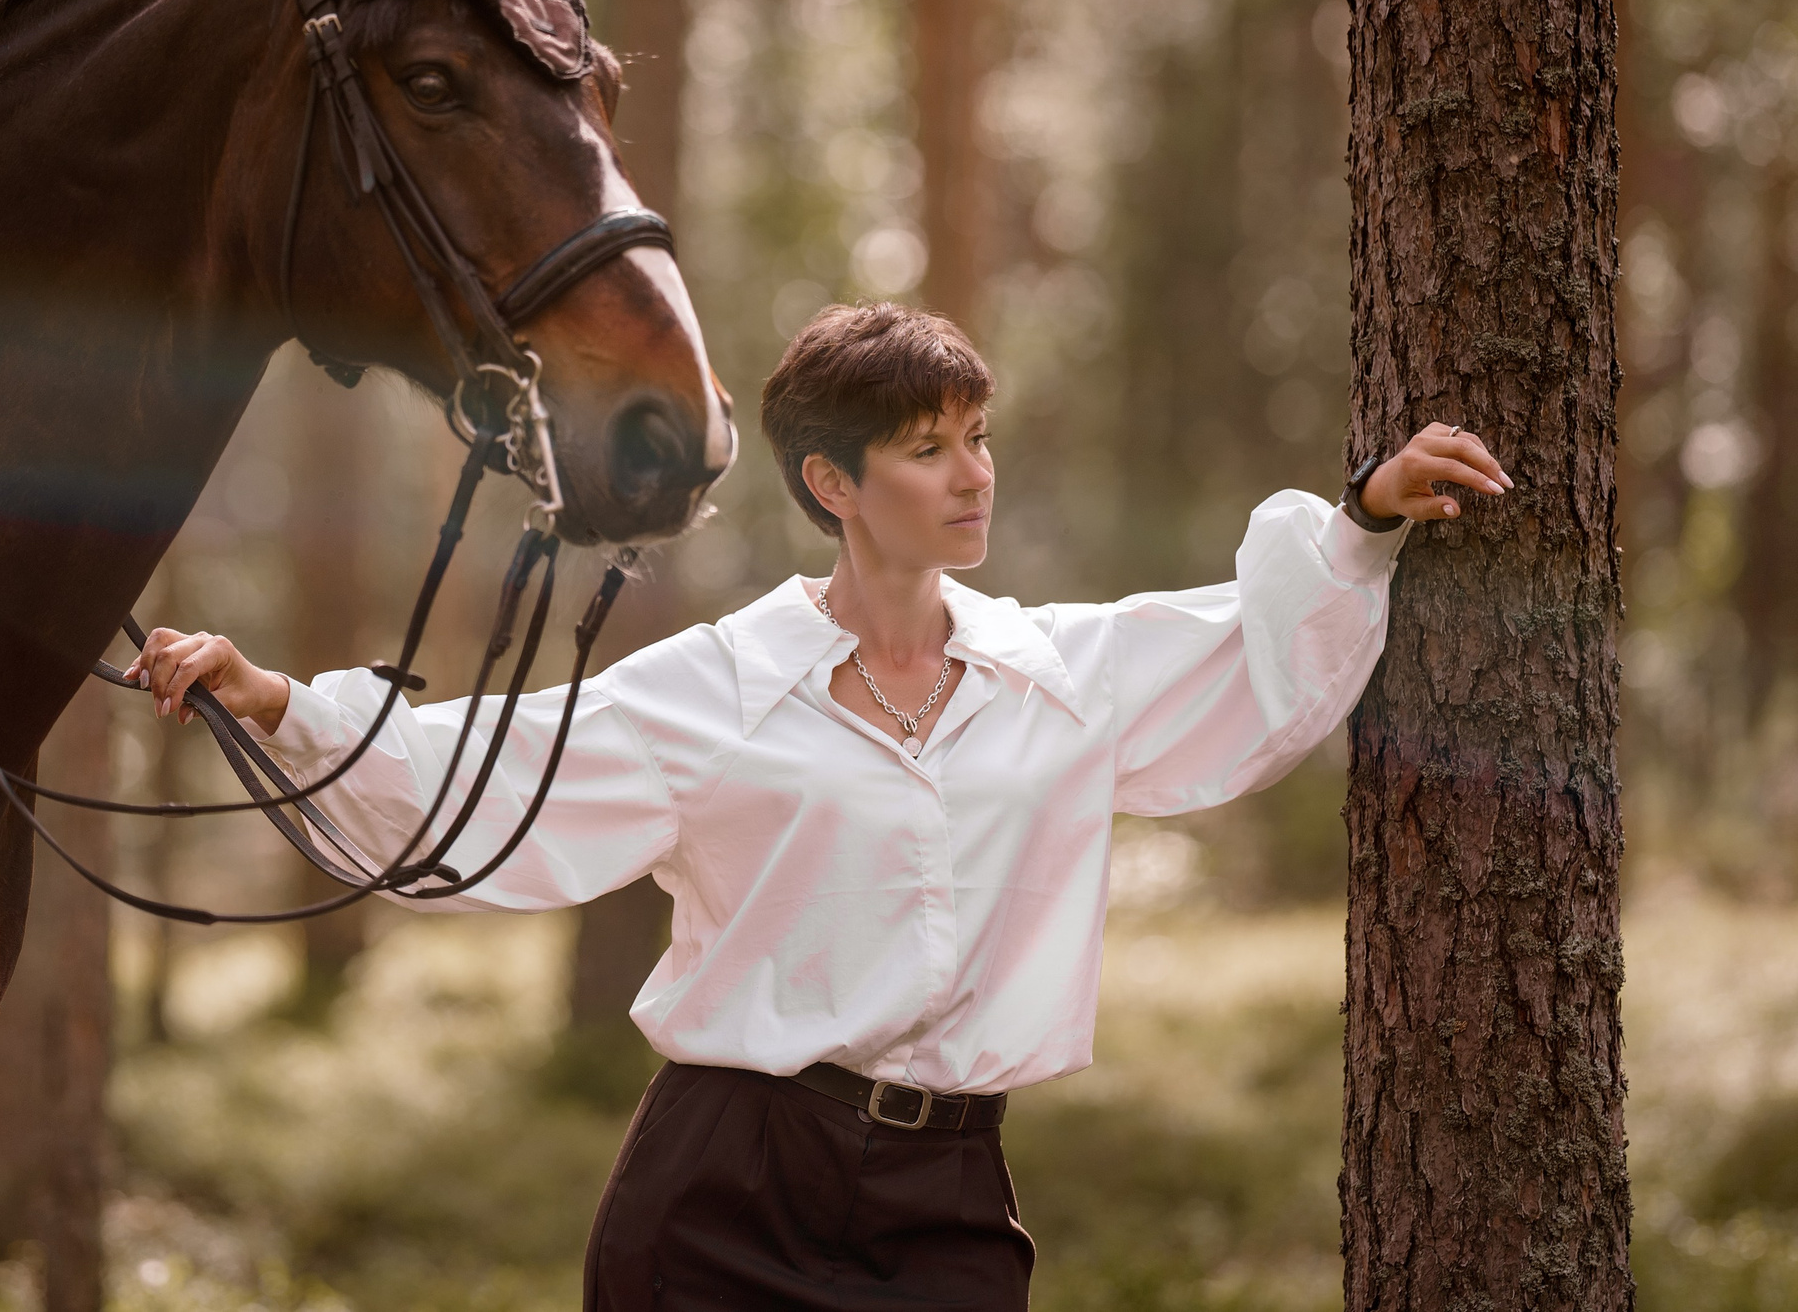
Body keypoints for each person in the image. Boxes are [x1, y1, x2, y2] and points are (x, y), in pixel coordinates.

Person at [130, 301, 1509, 1311]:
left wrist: (1364, 519)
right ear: (831, 485)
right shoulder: (717, 689)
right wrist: (281, 703)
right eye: (926, 448)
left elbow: (1249, 657)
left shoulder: (1058, 676)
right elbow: (496, 763)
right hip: (721, 1194)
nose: (972, 474)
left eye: (977, 436)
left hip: (950, 1208)